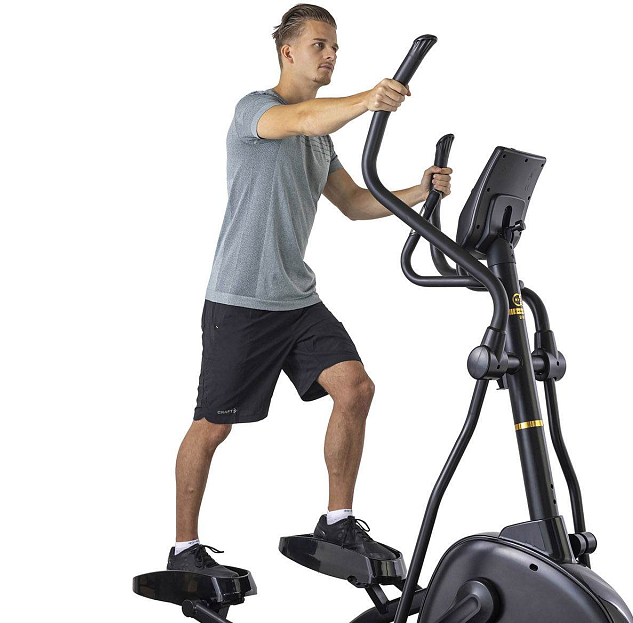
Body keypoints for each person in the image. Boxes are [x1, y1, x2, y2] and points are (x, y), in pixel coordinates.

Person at [170, 4, 452, 577]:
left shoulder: (322, 141)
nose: (330, 55)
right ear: (288, 51)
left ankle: (338, 522)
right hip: (242, 300)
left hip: (297, 300)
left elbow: (355, 204)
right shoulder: (256, 111)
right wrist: (368, 100)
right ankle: (183, 550)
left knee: (355, 387)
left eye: (335, 48)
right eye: (320, 45)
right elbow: (301, 119)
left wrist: (418, 190)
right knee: (214, 426)